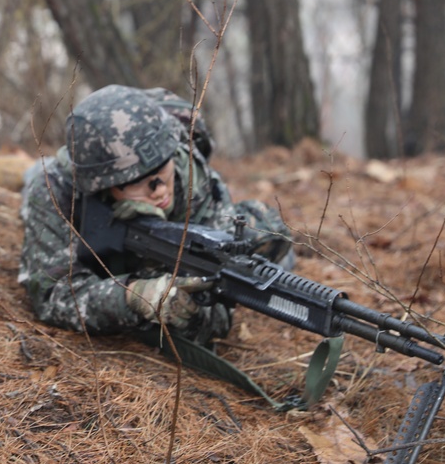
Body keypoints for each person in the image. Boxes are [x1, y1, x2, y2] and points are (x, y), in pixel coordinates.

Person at [19, 85, 293, 348]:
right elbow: (53, 295)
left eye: (162, 170)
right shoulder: (55, 187)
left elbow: (219, 319)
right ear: (101, 186)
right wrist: (133, 296)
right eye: (139, 181)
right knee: (31, 180)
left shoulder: (197, 184)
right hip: (68, 190)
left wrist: (183, 308)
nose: (160, 189)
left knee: (261, 231)